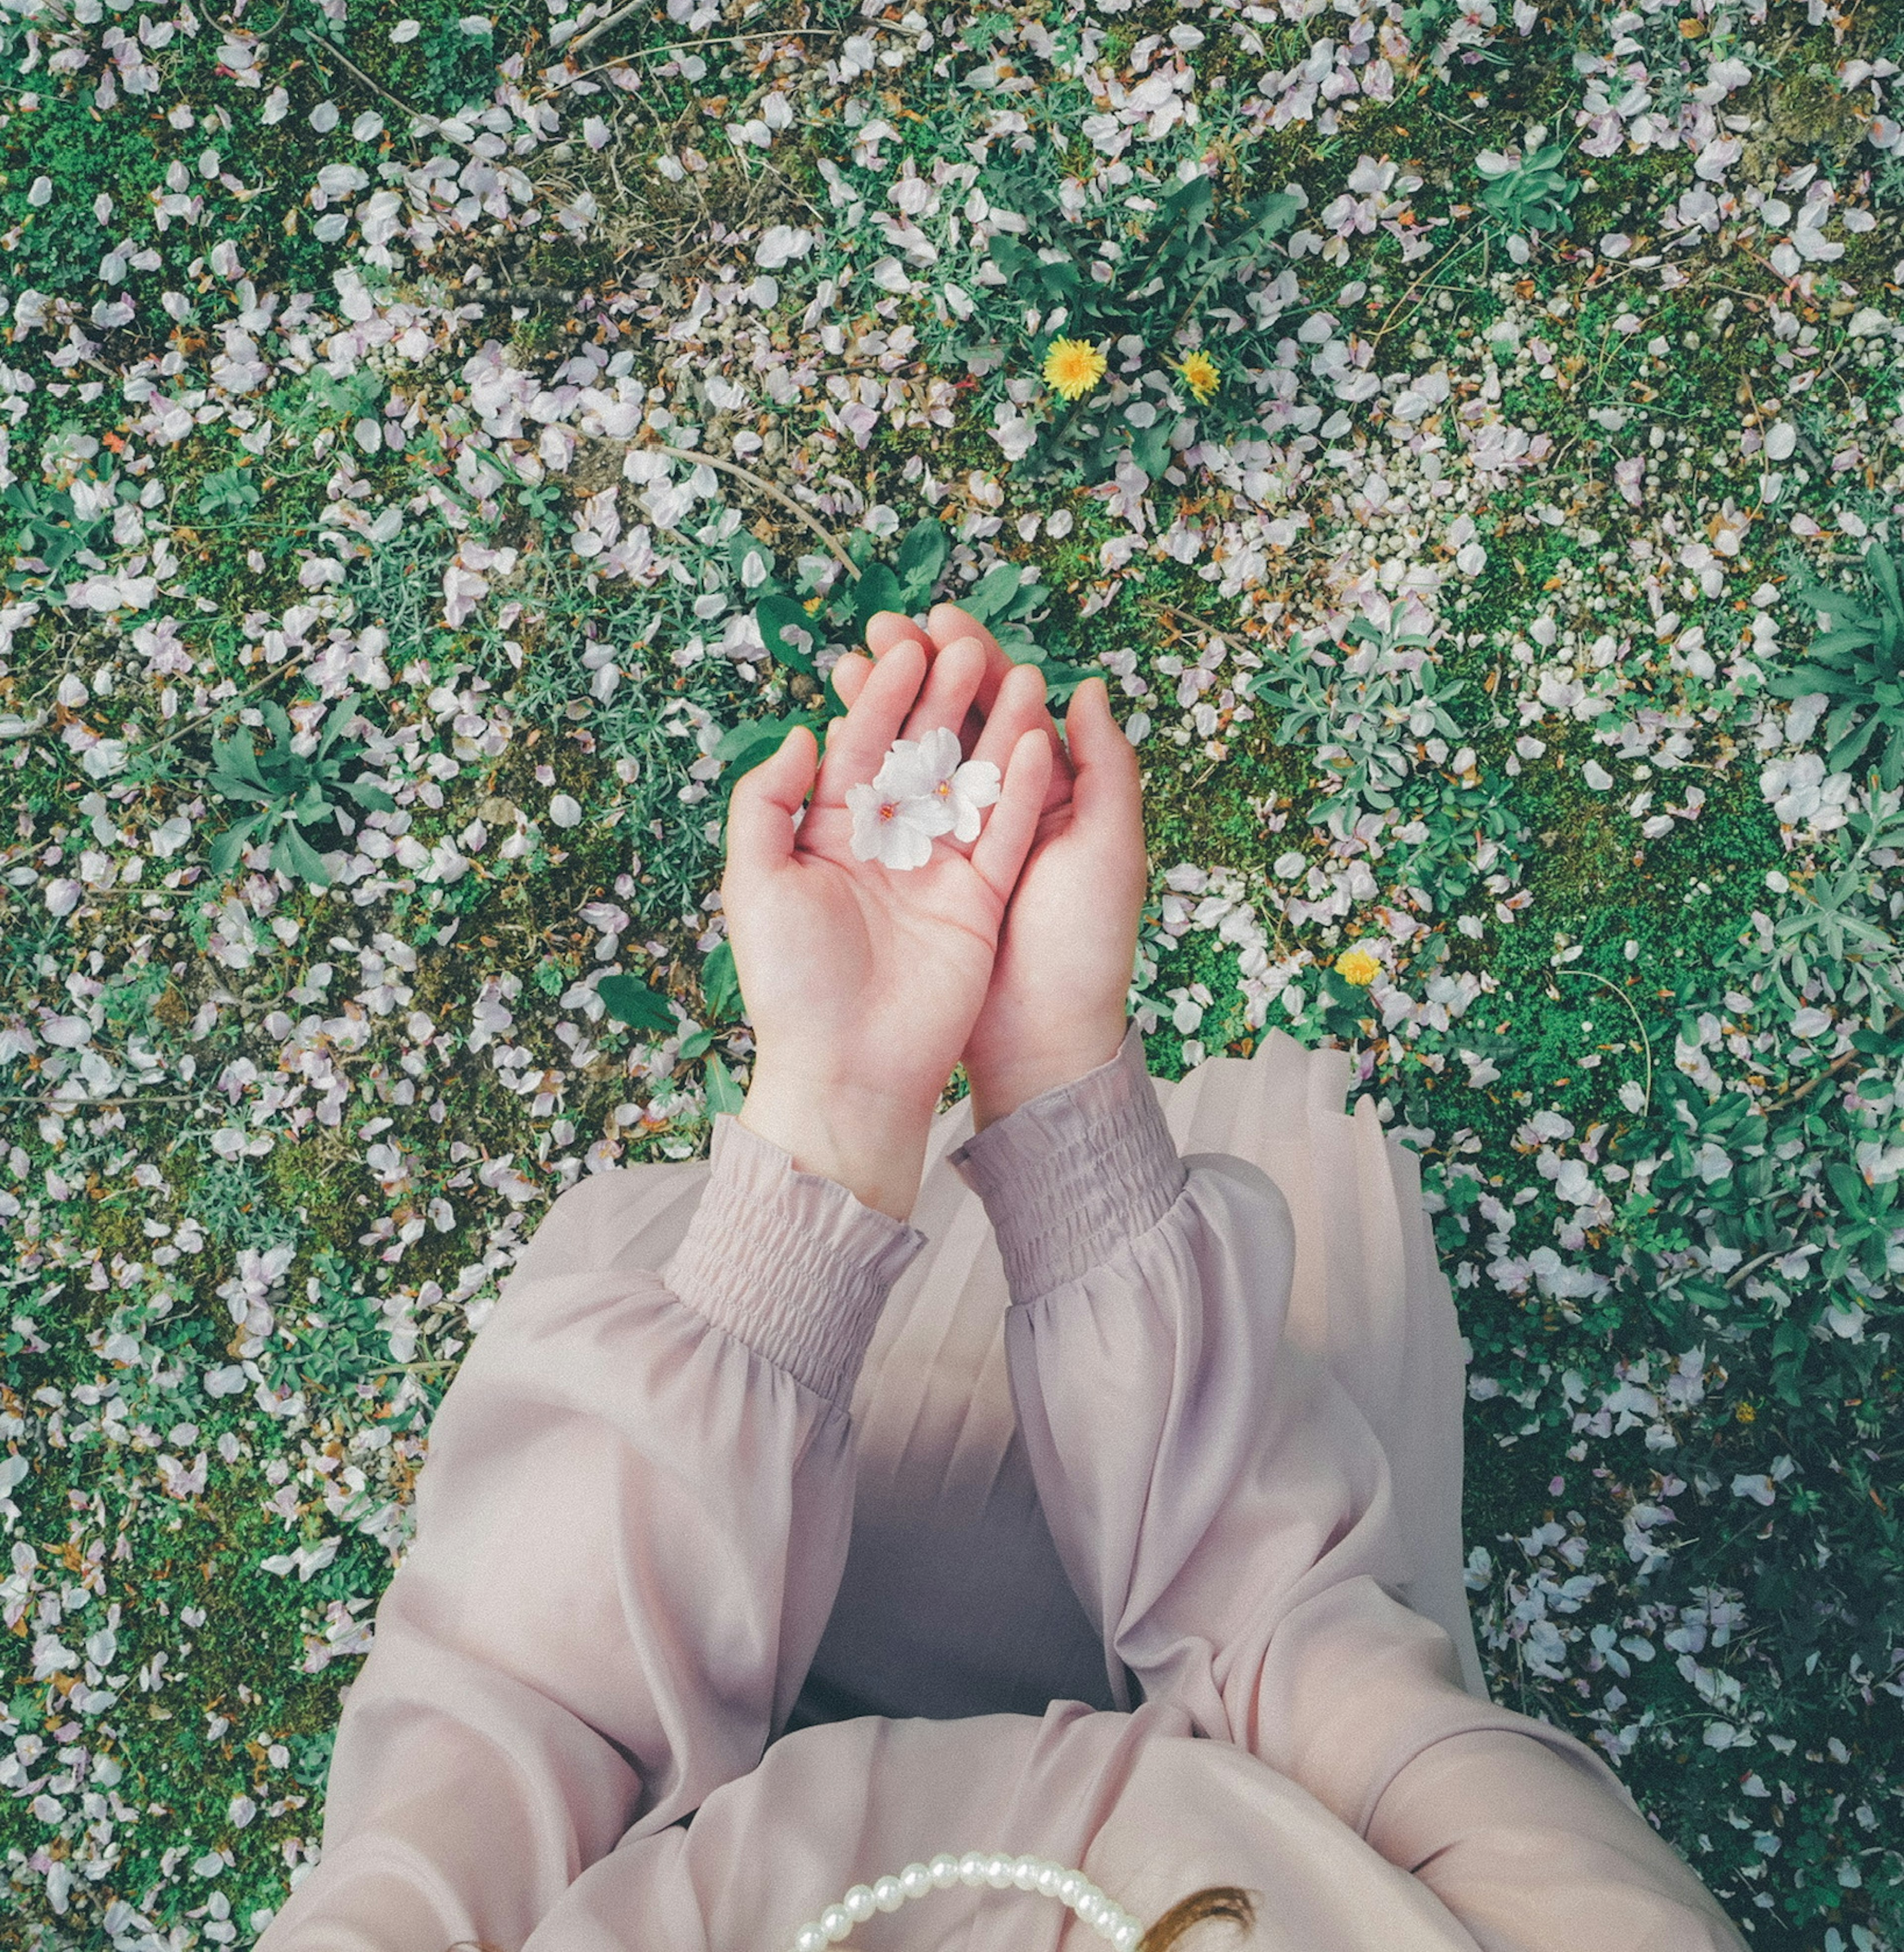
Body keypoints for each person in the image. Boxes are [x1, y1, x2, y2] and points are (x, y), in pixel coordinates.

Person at [257, 604, 1748, 1952]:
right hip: (1240, 1701)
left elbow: (519, 1732)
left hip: (678, 1742)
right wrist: (1062, 1115)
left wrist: (830, 1135)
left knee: (658, 1416)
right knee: (1297, 1309)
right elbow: (1312, 1660)